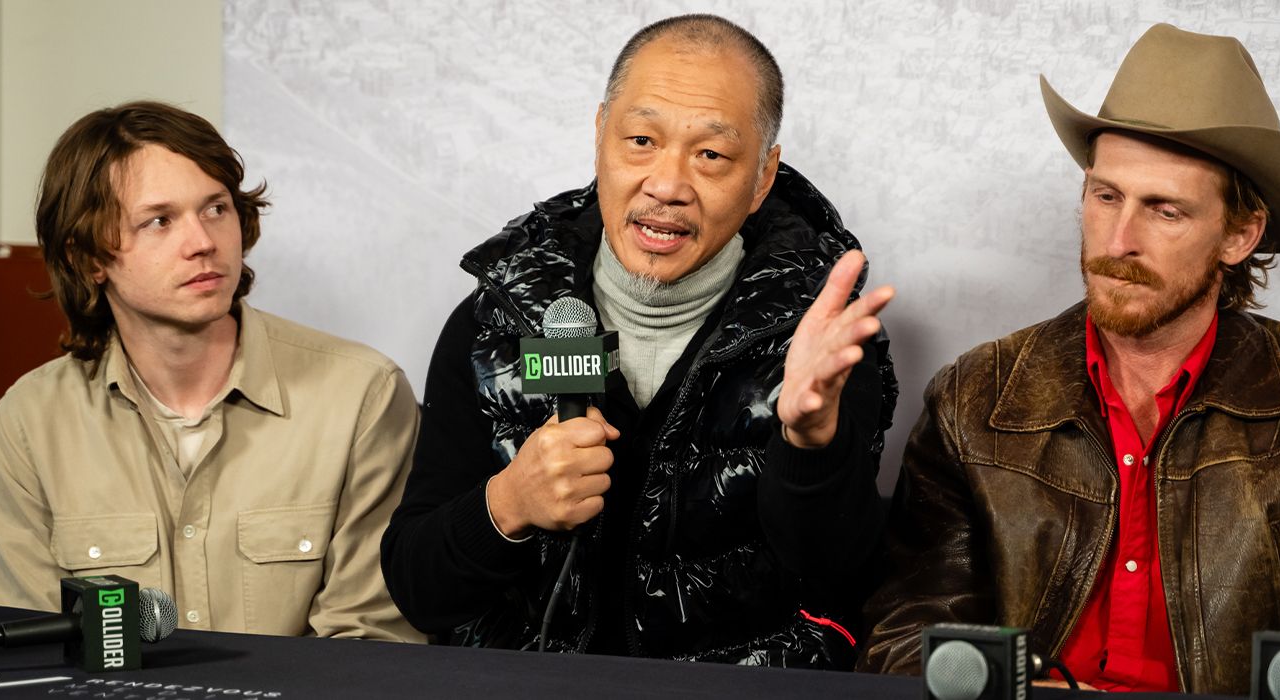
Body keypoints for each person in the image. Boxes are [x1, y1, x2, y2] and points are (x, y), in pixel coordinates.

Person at [858, 23, 1280, 695]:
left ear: (1240, 234)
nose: (1118, 240)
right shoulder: (974, 395)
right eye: (1105, 196)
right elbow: (908, 639)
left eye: (1164, 211)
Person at [382, 14, 897, 668]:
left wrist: (810, 440)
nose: (668, 185)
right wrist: (509, 503)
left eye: (710, 154)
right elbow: (419, 591)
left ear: (764, 176)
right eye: (641, 140)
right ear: (600, 136)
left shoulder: (825, 341)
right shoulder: (495, 323)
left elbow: (843, 581)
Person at [0, 101, 422, 641]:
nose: (202, 242)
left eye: (216, 209)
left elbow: (369, 644)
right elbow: (34, 647)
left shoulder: (363, 394)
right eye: (159, 221)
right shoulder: (29, 423)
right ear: (89, 260)